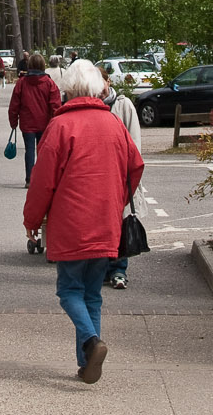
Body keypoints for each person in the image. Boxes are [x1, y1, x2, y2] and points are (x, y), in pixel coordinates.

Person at [22, 58, 144, 384]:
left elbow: (42, 180)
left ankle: (91, 343)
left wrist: (32, 220)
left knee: (68, 291)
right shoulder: (114, 124)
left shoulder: (61, 127)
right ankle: (87, 362)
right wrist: (116, 198)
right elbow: (135, 166)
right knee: (93, 294)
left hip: (72, 222)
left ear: (69, 89)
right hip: (106, 220)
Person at [102, 74, 147, 290]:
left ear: (108, 82)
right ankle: (103, 268)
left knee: (120, 222)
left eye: (101, 82)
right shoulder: (90, 108)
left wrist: (132, 170)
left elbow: (134, 139)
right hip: (100, 177)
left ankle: (119, 269)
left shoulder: (123, 105)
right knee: (102, 226)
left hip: (121, 175)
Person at [7, 52, 60, 187]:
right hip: (45, 123)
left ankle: (29, 179)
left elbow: (14, 104)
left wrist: (13, 122)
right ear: (43, 65)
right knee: (43, 151)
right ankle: (43, 179)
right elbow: (55, 104)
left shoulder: (22, 83)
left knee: (29, 150)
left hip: (27, 123)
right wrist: (57, 122)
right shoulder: (49, 83)